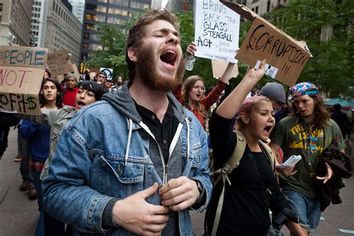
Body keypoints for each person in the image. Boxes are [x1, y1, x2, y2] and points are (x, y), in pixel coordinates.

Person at [42, 9, 212, 235]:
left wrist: (197, 189)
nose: (173, 38)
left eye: (175, 37)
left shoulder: (192, 125)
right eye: (160, 34)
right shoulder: (92, 120)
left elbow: (204, 177)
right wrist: (113, 211)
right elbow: (54, 191)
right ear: (133, 53)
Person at [205, 60, 298, 235]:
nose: (271, 118)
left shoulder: (267, 152)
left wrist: (299, 231)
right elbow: (219, 122)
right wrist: (249, 80)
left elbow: (277, 198)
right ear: (245, 118)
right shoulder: (230, 144)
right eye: (264, 113)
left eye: (273, 113)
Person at [270, 82, 345, 235]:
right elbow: (271, 151)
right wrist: (278, 166)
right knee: (301, 233)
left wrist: (332, 168)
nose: (300, 106)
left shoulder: (331, 126)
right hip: (292, 187)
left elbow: (341, 156)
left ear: (316, 100)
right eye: (296, 102)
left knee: (307, 231)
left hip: (318, 190)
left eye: (305, 101)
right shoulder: (285, 124)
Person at [40, 80, 106, 236]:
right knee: (52, 227)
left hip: (81, 190)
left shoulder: (101, 125)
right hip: (53, 182)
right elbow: (35, 114)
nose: (82, 95)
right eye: (80, 91)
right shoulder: (62, 114)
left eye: (89, 94)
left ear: (98, 102)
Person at [20, 77, 62, 236]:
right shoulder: (33, 112)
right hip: (38, 165)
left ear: (58, 91)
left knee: (49, 205)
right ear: (41, 92)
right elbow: (24, 133)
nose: (49, 90)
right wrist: (36, 119)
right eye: (46, 87)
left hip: (58, 166)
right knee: (43, 203)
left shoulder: (64, 111)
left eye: (52, 87)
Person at [175, 42, 236, 128]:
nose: (200, 90)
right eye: (196, 87)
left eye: (202, 88)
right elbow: (177, 79)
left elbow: (220, 86)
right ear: (188, 89)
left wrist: (232, 62)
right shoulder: (178, 102)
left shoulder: (203, 105)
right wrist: (188, 57)